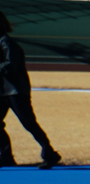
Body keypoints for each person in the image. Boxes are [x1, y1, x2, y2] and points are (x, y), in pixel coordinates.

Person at [0, 11, 62, 169]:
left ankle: (50, 154)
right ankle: (6, 157)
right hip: (4, 91)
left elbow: (10, 65)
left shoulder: (6, 42)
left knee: (28, 123)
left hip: (15, 91)